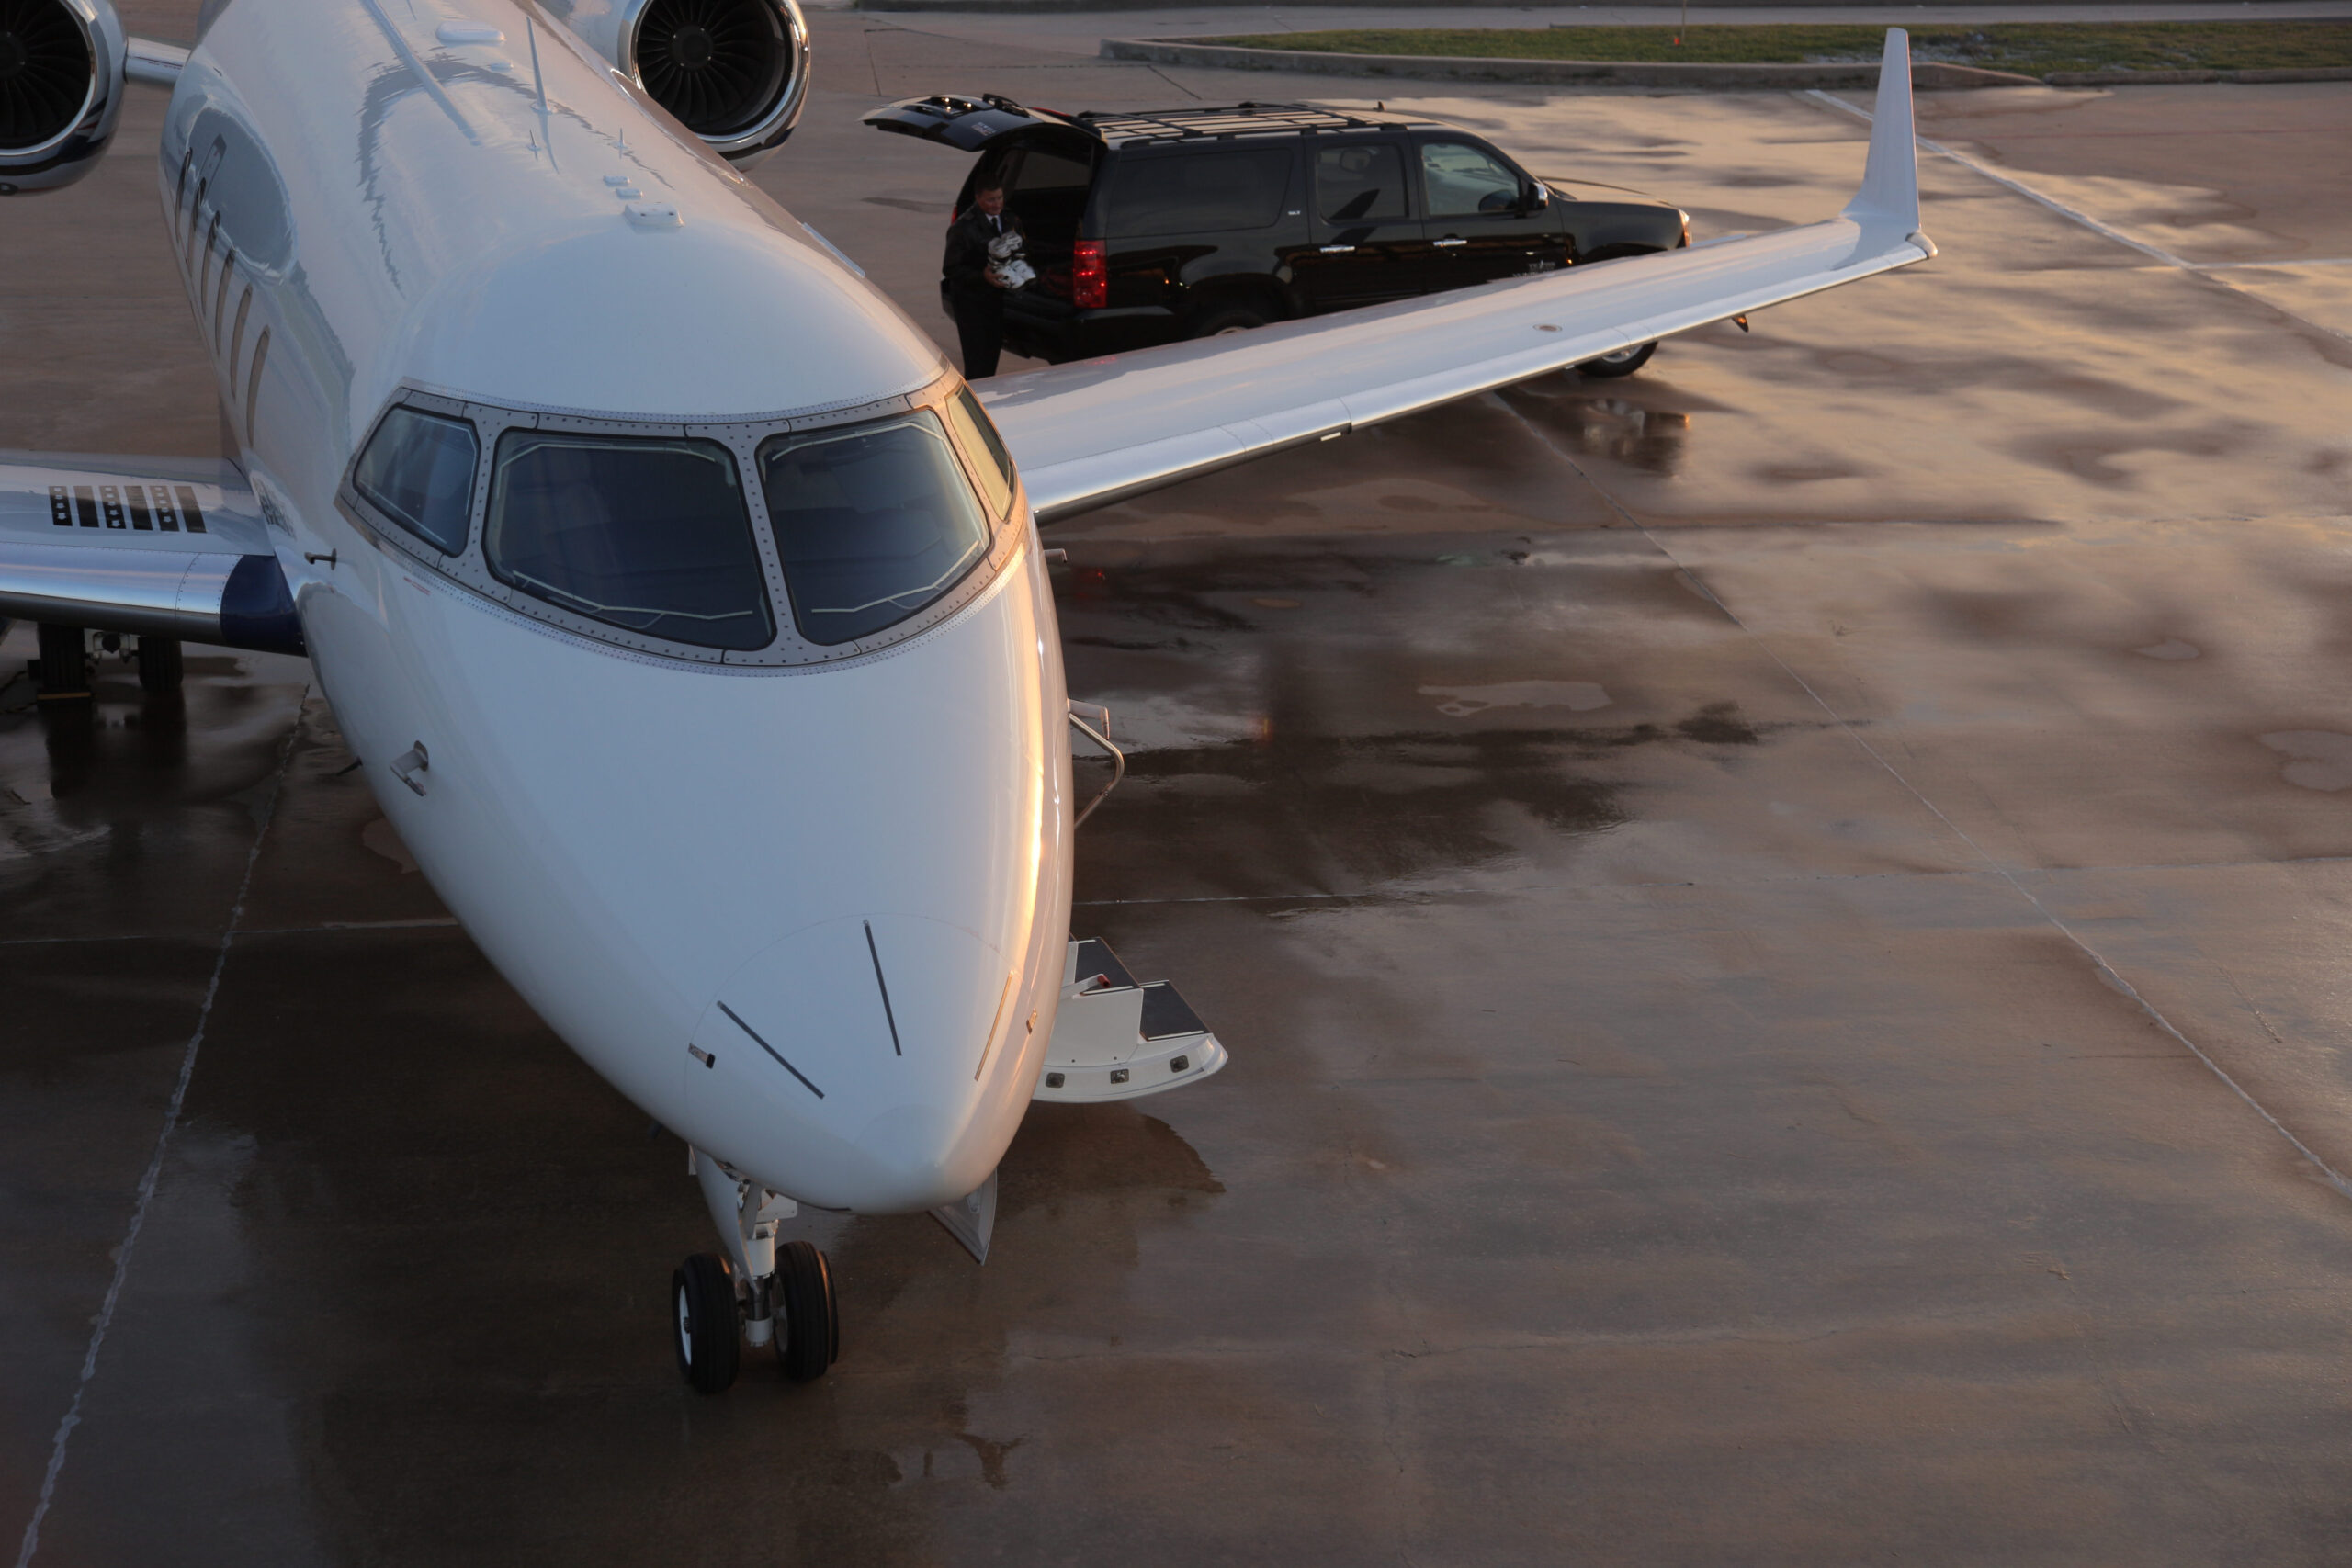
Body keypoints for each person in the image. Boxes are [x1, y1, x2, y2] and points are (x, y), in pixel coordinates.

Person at [942, 179, 1024, 380]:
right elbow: (951, 268)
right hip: (972, 304)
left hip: (995, 301)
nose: (996, 204)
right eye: (990, 200)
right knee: (977, 361)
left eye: (999, 198)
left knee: (991, 355)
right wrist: (982, 277)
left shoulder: (1008, 219)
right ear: (978, 199)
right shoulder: (963, 228)